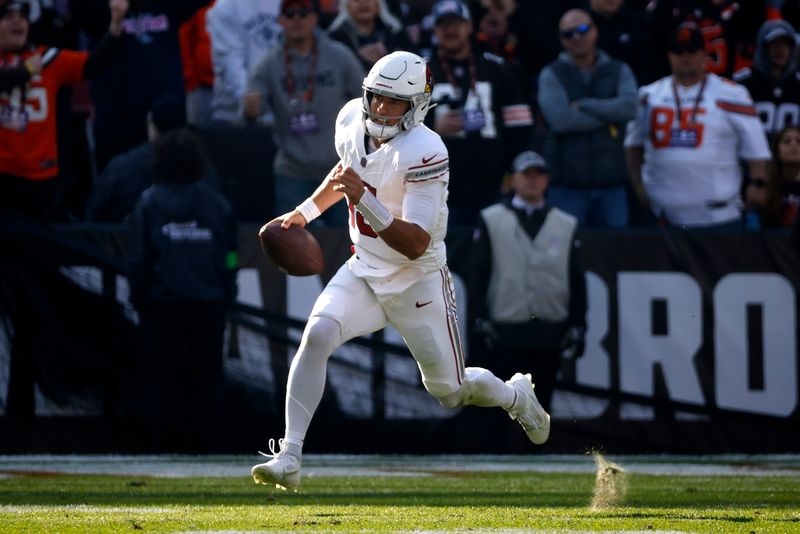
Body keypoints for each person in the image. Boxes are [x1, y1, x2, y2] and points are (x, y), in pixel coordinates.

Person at [250, 50, 550, 492]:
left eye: (394, 102)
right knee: (316, 335)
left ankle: (514, 395)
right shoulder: (352, 117)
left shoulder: (426, 150)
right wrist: (305, 212)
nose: (380, 110)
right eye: (375, 98)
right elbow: (347, 169)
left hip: (417, 279)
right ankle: (291, 455)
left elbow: (415, 244)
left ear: (418, 107)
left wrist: (362, 200)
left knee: (449, 391)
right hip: (365, 266)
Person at [127, 128, 238, 451]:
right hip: (208, 305)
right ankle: (209, 445)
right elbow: (230, 252)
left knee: (161, 379)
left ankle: (162, 445)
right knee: (208, 378)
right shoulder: (218, 204)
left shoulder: (148, 203)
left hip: (161, 306)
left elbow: (138, 257)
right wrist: (226, 286)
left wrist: (139, 296)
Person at [468, 150, 587, 412]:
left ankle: (538, 450)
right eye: (526, 174)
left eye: (538, 174)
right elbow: (478, 272)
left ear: (547, 180)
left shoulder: (566, 223)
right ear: (513, 180)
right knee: (500, 403)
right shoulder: (491, 218)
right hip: (505, 327)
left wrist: (579, 321)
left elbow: (577, 278)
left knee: (543, 402)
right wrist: (478, 316)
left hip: (549, 327)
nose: (532, 180)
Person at [624, 23, 772, 231]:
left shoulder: (733, 94)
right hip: (663, 219)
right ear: (669, 55)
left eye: (692, 50)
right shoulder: (648, 95)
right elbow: (632, 146)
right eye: (678, 50)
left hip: (719, 219)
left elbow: (756, 147)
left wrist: (758, 184)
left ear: (704, 54)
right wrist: (639, 188)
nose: (685, 56)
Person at [0, 0, 128, 221]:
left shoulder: (46, 58)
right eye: (8, 17)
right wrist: (27, 70)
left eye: (22, 16)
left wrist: (116, 26)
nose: (17, 22)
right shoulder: (33, 64)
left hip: (41, 176)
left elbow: (94, 64)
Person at [244, 0, 364, 224]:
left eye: (303, 12)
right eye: (290, 14)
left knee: (349, 241)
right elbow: (252, 110)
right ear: (280, 20)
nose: (297, 19)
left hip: (339, 168)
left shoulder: (339, 55)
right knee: (291, 244)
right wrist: (250, 108)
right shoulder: (268, 63)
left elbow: (366, 99)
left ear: (315, 18)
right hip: (292, 171)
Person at [424, 0, 533, 226]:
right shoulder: (418, 71)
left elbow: (519, 125)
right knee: (448, 256)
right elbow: (398, 124)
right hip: (438, 186)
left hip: (491, 182)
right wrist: (432, 124)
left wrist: (513, 172)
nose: (450, 30)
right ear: (434, 30)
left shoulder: (497, 68)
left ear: (470, 26)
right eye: (443, 24)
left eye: (456, 23)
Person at [537, 8, 638, 228]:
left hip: (612, 184)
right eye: (569, 33)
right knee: (569, 256)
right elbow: (561, 120)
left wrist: (585, 105)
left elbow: (631, 108)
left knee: (614, 256)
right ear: (562, 40)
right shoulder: (551, 73)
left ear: (595, 31)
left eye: (582, 30)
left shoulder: (619, 69)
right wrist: (611, 115)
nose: (577, 37)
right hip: (567, 186)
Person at [86, 93, 220, 223]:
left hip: (127, 244)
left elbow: (92, 222)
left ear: (151, 124)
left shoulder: (120, 169)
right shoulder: (205, 170)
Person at [206, 0, 282, 125]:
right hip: (232, 118)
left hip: (282, 116)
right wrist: (247, 97)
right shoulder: (226, 6)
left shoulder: (291, 4)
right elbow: (230, 59)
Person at [733, 19, 800, 142]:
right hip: (752, 156)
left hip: (791, 158)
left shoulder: (798, 83)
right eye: (774, 43)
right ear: (763, 47)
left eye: (785, 44)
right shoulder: (743, 83)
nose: (780, 49)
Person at [326, 0, 412, 71]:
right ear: (346, 6)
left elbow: (415, 62)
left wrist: (388, 57)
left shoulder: (395, 31)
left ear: (379, 4)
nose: (363, 3)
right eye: (356, 0)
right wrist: (356, 57)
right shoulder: (334, 38)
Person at [761, 125, 800, 228]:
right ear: (776, 150)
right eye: (787, 141)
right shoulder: (764, 183)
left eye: (799, 141)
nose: (793, 144)